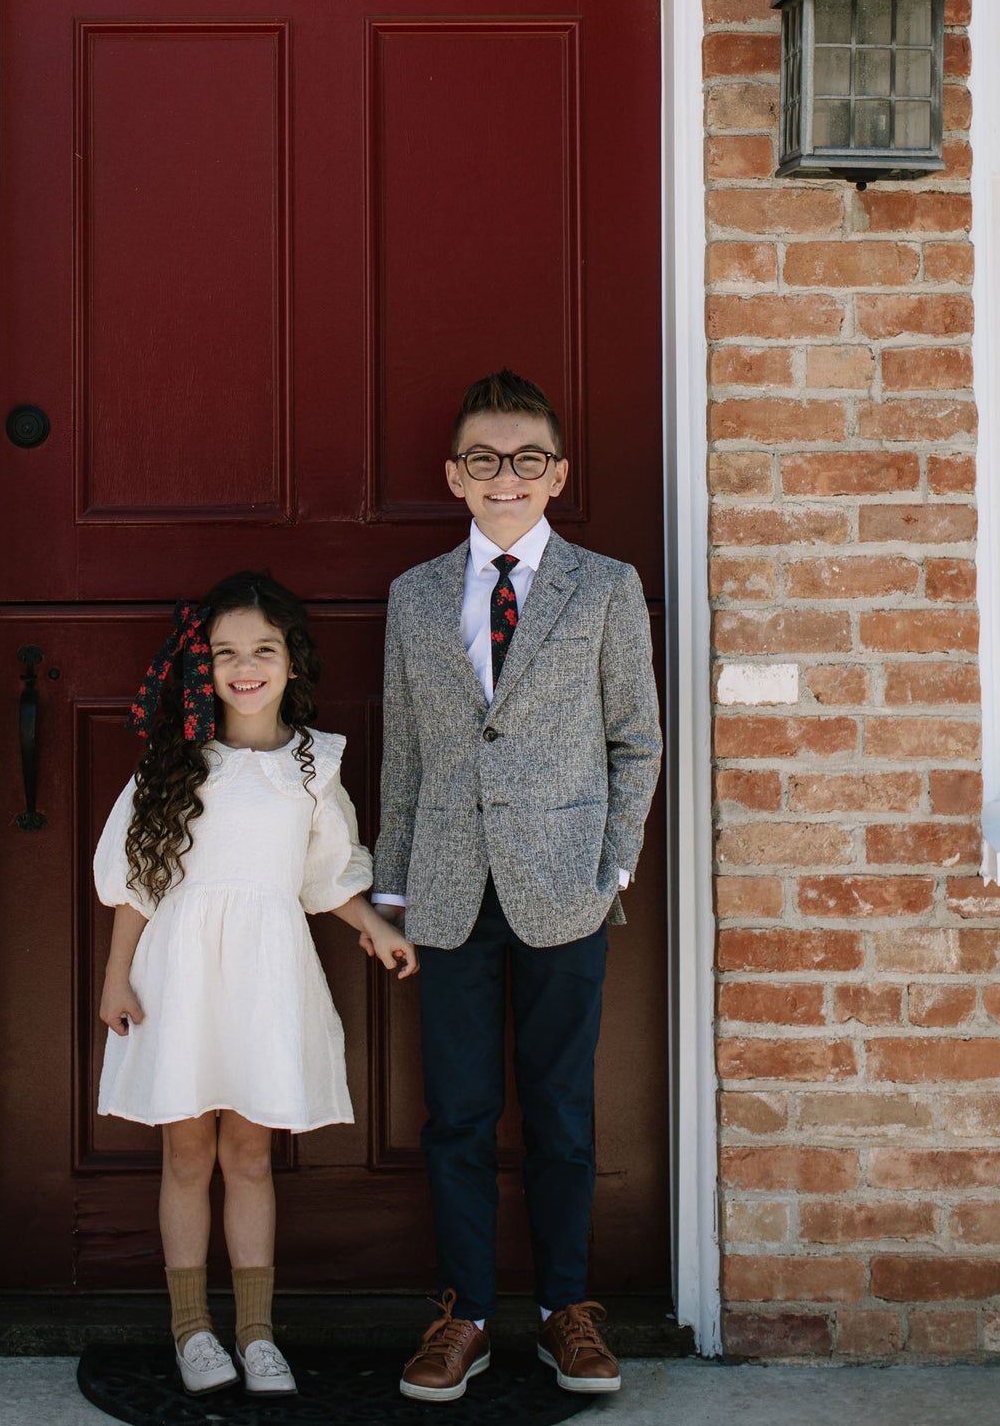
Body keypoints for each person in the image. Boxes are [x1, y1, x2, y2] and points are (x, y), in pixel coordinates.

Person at [374, 369, 662, 1404]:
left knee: (558, 1107)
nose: (506, 476)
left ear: (558, 474)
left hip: (562, 883)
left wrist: (610, 865)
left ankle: (565, 1310)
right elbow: (403, 756)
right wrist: (393, 888)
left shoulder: (603, 585)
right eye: (485, 460)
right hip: (449, 887)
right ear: (454, 475)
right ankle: (464, 1313)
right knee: (454, 1111)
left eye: (526, 459)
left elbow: (636, 737)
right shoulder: (413, 595)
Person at [95, 570, 418, 1398]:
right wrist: (114, 980)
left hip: (268, 976)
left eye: (262, 651)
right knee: (185, 1151)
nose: (245, 667)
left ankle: (255, 1331)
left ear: (290, 663)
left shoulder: (314, 764)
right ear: (200, 666)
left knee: (248, 1154)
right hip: (178, 977)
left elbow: (326, 876)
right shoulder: (173, 766)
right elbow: (136, 882)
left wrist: (374, 927)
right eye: (225, 653)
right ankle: (191, 1328)